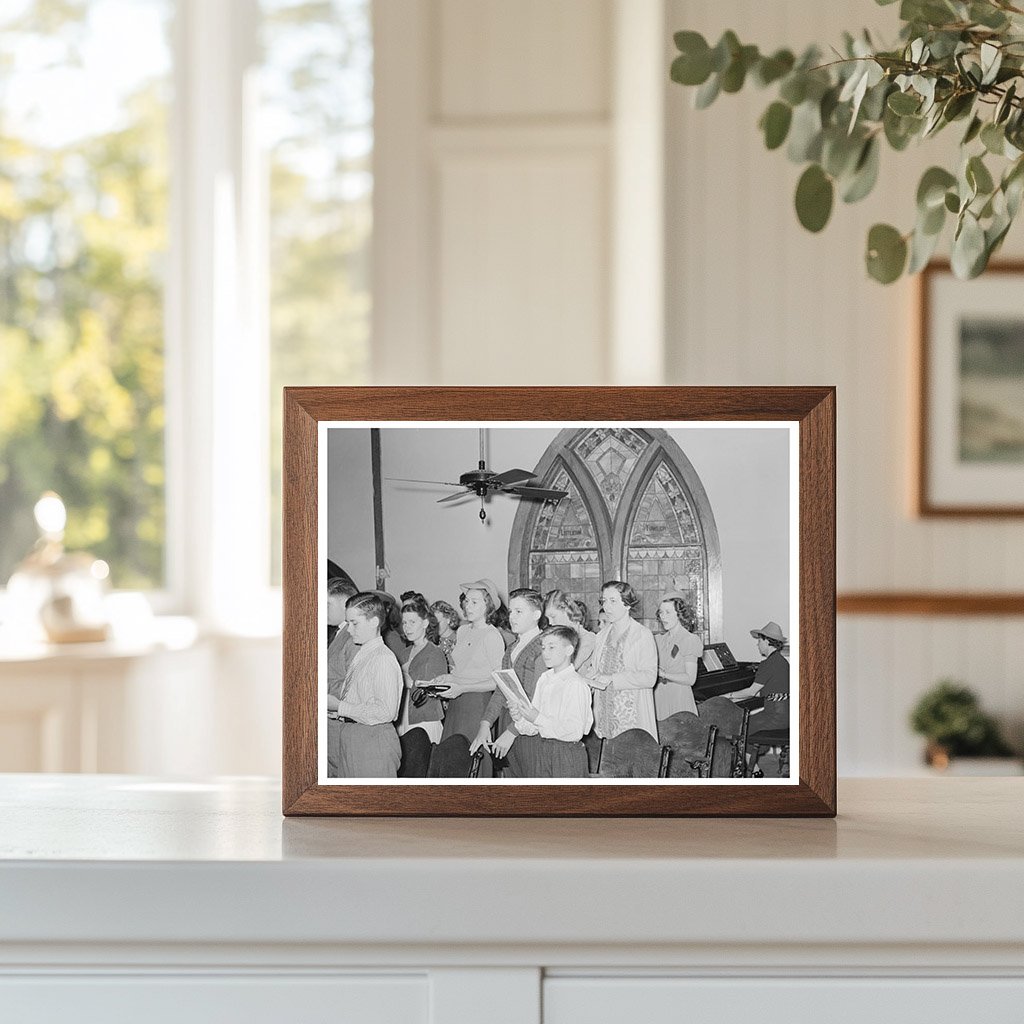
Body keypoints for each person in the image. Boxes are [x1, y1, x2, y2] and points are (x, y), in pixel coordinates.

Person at [470, 588, 547, 767]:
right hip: (507, 721)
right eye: (511, 611)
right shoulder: (512, 648)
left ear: (536, 614)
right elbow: (500, 691)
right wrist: (485, 724)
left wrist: (512, 732)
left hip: (530, 730)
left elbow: (539, 699)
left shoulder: (543, 646)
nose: (512, 617)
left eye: (519, 612)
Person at [330, 591, 403, 778]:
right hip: (352, 738)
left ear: (374, 622)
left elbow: (386, 712)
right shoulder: (363, 653)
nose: (348, 629)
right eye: (348, 623)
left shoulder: (383, 658)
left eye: (354, 623)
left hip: (372, 742)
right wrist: (335, 710)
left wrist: (340, 707)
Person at [504, 625, 593, 778]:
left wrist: (536, 717)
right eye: (544, 647)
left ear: (569, 650)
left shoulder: (575, 684)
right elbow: (534, 726)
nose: (545, 653)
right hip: (544, 750)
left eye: (552, 647)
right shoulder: (545, 679)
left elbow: (574, 731)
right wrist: (520, 715)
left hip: (567, 754)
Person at [434, 579, 505, 744]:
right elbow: (462, 670)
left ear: (487, 605)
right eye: (466, 601)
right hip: (456, 701)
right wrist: (448, 678)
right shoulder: (462, 630)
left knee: (470, 759)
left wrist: (463, 688)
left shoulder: (492, 635)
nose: (468, 606)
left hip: (478, 704)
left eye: (474, 602)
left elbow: (498, 682)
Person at [586, 580, 658, 741]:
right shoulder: (601, 636)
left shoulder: (642, 635)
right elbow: (596, 668)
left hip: (630, 716)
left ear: (627, 605)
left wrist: (612, 679)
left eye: (613, 601)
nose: (607, 607)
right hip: (603, 714)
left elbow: (650, 677)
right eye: (604, 601)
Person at [729, 620, 790, 777]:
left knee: (740, 727)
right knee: (748, 723)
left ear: (767, 641)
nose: (757, 645)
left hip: (775, 716)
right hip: (787, 713)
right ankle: (748, 763)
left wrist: (728, 696)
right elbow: (764, 691)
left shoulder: (768, 663)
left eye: (759, 640)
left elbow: (751, 692)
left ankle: (754, 771)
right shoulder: (782, 662)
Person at [395, 594, 448, 747]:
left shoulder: (435, 653)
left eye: (412, 622)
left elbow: (434, 692)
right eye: (404, 623)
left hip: (425, 719)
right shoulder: (404, 652)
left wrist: (407, 681)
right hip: (403, 716)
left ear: (425, 623)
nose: (407, 627)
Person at [653, 591, 703, 721]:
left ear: (679, 614)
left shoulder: (689, 640)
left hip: (678, 698)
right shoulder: (658, 640)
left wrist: (663, 675)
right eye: (661, 612)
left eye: (668, 612)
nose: (663, 617)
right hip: (659, 697)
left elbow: (690, 678)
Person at [326, 578, 358, 777]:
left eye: (328, 604)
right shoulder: (338, 633)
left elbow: (354, 684)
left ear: (345, 604)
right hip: (331, 724)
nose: (323, 609)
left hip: (340, 725)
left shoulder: (354, 636)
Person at [543, 589, 597, 672]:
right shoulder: (564, 637)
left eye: (553, 616)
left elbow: (569, 669)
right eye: (548, 618)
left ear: (566, 610)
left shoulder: (587, 638)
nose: (550, 622)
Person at [430, 599, 460, 668]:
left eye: (438, 623)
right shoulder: (431, 639)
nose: (435, 627)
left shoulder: (458, 641)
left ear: (448, 619)